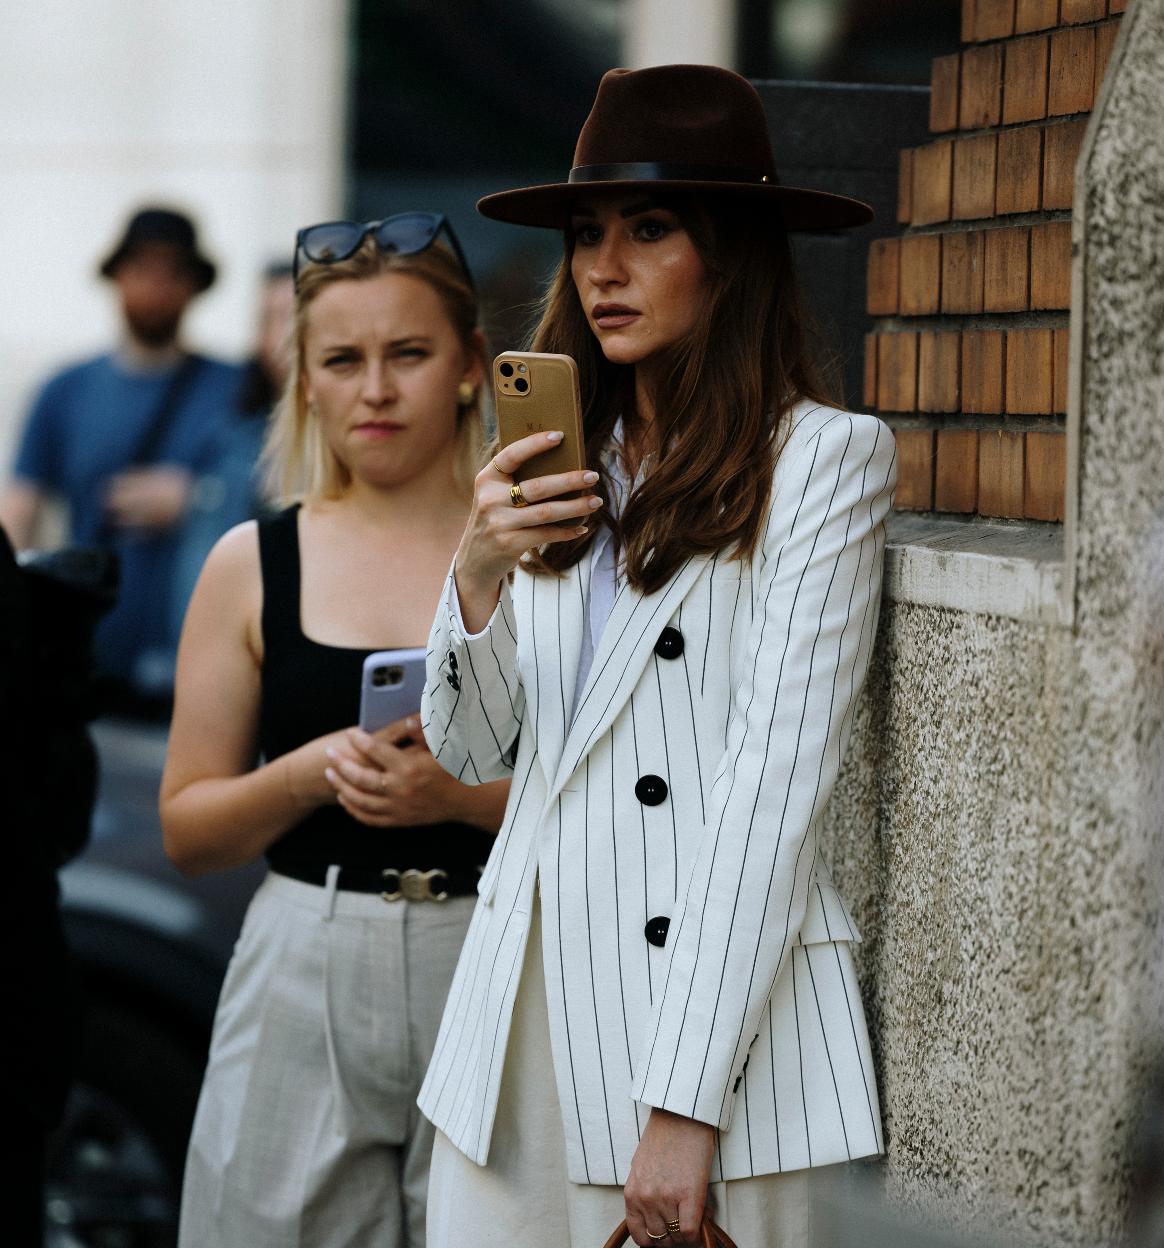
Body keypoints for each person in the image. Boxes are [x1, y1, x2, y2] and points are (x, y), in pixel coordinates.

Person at [418, 65, 896, 1248]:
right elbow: (475, 753)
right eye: (587, 234)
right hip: (517, 1033)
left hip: (713, 1049)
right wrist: (479, 568)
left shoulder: (823, 461)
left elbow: (773, 791)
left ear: (728, 252)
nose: (603, 267)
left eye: (651, 228)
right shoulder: (561, 464)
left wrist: (682, 1106)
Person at [160, 212, 509, 1248]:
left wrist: (457, 799)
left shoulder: (543, 554)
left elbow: (624, 803)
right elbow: (190, 830)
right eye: (342, 360)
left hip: (498, 951)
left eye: (408, 353)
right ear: (303, 379)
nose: (377, 388)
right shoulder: (249, 561)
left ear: (467, 367)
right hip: (304, 951)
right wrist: (309, 774)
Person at [0, 206, 241, 715]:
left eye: (173, 271)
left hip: (203, 663)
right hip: (84, 658)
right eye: (142, 269)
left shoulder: (237, 389)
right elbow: (20, 510)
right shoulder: (65, 390)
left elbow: (278, 499)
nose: (156, 286)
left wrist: (200, 502)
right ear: (117, 276)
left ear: (194, 285)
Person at [171, 260, 295, 628]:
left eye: (297, 316)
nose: (286, 335)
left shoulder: (361, 437)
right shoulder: (230, 428)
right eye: (272, 318)